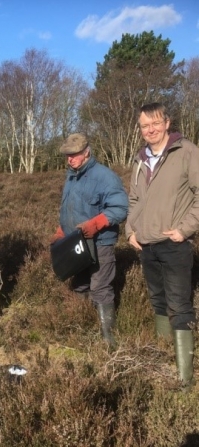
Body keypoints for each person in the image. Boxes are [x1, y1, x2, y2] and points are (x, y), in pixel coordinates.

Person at [126, 102, 199, 390]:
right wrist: (130, 230)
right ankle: (162, 356)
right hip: (146, 245)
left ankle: (184, 377)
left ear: (167, 123)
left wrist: (185, 230)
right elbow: (134, 199)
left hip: (174, 244)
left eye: (155, 123)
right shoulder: (140, 158)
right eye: (145, 125)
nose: (150, 129)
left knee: (180, 305)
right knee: (158, 300)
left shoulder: (187, 152)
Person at [50, 133, 128, 346]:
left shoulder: (105, 177)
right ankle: (81, 330)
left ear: (86, 152)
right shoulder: (71, 176)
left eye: (74, 155)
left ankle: (108, 339)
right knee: (80, 285)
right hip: (76, 243)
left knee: (100, 288)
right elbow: (70, 208)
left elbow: (120, 209)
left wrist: (95, 225)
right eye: (67, 155)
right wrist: (61, 229)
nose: (69, 159)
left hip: (100, 243)